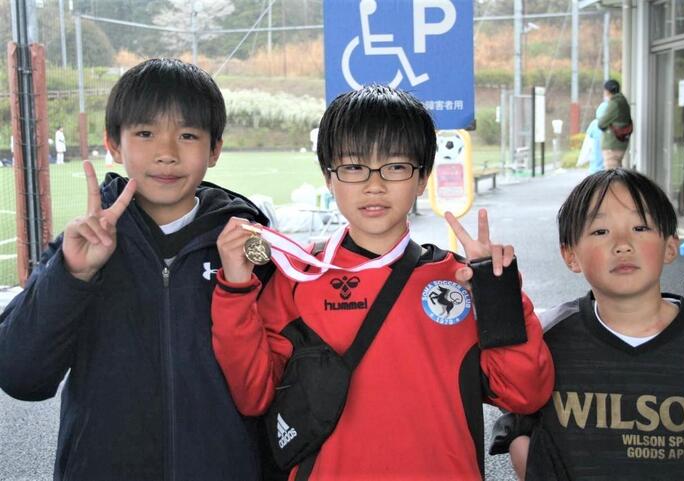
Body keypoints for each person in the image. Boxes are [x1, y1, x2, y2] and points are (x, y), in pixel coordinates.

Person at [210, 85, 554, 480]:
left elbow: (525, 393)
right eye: (354, 167)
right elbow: (253, 395)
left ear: (422, 179)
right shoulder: (299, 276)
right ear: (328, 178)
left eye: (395, 167)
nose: (374, 185)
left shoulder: (461, 280)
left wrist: (500, 299)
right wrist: (235, 288)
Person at [0, 58, 272, 481]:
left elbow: (273, 383)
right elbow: (20, 375)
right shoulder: (80, 249)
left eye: (187, 135)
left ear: (214, 148)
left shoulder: (247, 246)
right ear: (113, 144)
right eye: (145, 133)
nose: (166, 152)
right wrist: (73, 275)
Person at [490, 168, 684, 480]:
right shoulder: (550, 339)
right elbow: (515, 415)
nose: (623, 244)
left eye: (640, 227)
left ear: (669, 246)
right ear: (571, 255)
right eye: (601, 232)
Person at [597, 79, 632, 169]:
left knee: (611, 176)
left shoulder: (615, 103)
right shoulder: (623, 101)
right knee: (616, 173)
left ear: (608, 90)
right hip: (620, 143)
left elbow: (601, 123)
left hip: (612, 145)